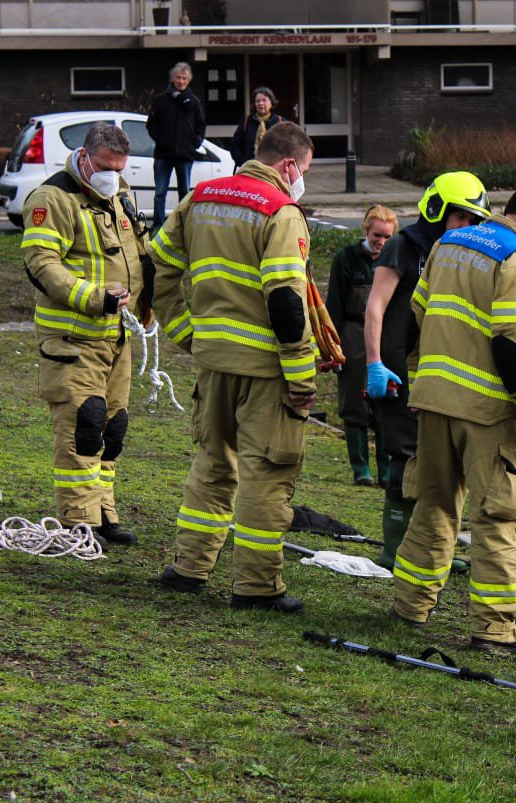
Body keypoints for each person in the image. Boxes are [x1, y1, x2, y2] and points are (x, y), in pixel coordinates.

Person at [387, 175, 516, 655]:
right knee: (497, 518)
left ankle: (409, 607)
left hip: (434, 403)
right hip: (488, 413)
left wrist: (420, 383)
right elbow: (515, 347)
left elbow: (416, 319)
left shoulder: (449, 242)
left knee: (432, 507)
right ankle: (495, 630)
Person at [146, 122, 316, 613]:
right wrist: (301, 378)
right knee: (267, 473)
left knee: (212, 463)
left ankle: (188, 568)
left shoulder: (200, 196)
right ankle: (257, 587)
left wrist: (187, 334)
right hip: (265, 369)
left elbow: (156, 267)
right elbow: (286, 300)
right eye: (302, 171)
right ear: (288, 165)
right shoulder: (281, 212)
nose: (301, 179)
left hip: (213, 361)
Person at [21, 123, 148, 549]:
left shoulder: (121, 193)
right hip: (73, 338)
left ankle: (104, 511)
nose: (114, 175)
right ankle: (80, 520)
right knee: (83, 426)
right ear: (85, 156)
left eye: (119, 168)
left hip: (117, 337)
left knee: (113, 427)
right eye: (107, 167)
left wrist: (148, 305)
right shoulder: (51, 198)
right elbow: (41, 264)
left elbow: (139, 251)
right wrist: (96, 298)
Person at [363, 171, 491, 569]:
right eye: (461, 218)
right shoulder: (404, 247)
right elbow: (375, 307)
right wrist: (374, 363)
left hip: (437, 376)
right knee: (405, 459)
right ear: (437, 211)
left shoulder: (459, 254)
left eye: (475, 221)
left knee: (437, 463)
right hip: (398, 373)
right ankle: (394, 550)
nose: (467, 227)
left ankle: (428, 549)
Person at [326, 204, 397, 486]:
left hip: (385, 334)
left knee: (385, 402)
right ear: (366, 230)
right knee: (354, 401)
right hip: (353, 332)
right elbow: (334, 304)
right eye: (377, 235)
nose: (381, 242)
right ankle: (360, 469)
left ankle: (386, 469)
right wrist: (333, 346)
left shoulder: (393, 259)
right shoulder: (346, 258)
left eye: (387, 237)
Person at [146, 62, 206, 228]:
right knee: (160, 192)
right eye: (178, 78)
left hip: (185, 155)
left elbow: (201, 125)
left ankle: (183, 225)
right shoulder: (160, 100)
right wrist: (160, 138)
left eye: (184, 78)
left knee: (185, 193)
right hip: (163, 154)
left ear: (189, 81)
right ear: (173, 79)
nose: (181, 81)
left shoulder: (194, 102)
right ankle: (157, 225)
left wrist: (195, 142)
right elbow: (151, 124)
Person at [229, 87, 283, 168]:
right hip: (250, 169)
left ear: (271, 102)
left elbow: (286, 147)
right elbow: (234, 145)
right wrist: (244, 163)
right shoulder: (246, 121)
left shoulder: (279, 122)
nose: (261, 103)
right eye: (258, 101)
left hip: (273, 170)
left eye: (264, 100)